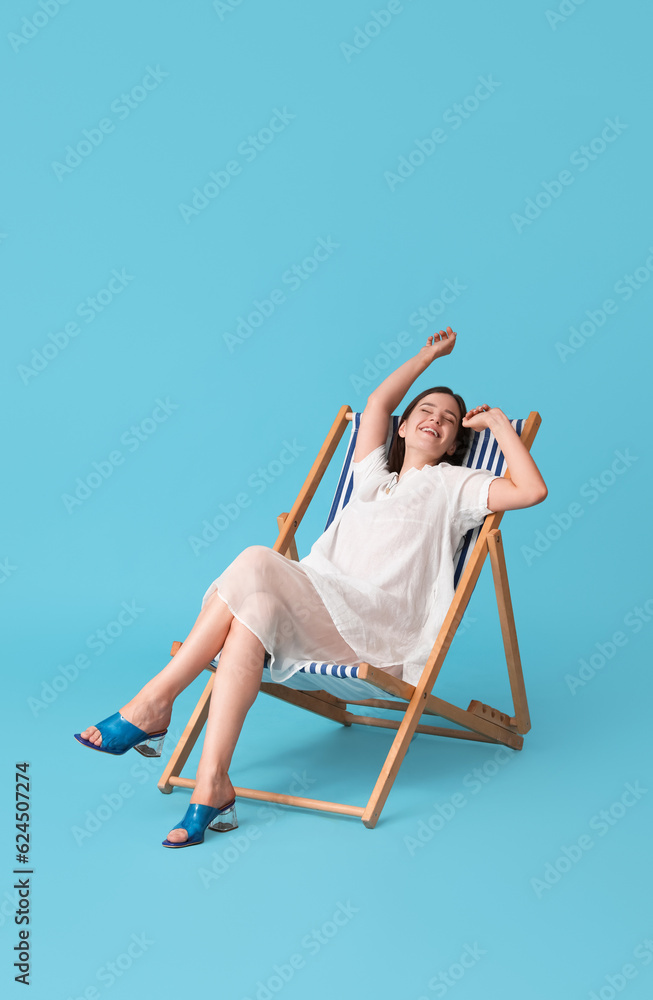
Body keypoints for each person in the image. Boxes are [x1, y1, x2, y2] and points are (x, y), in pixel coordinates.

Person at [74, 327, 548, 848]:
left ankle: (153, 703)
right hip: (322, 603)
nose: (434, 419)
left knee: (258, 558)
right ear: (405, 426)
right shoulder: (371, 474)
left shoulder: (457, 486)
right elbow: (377, 402)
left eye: (449, 419)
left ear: (456, 442)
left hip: (377, 628)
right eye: (425, 412)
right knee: (249, 616)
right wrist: (426, 356)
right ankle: (212, 787)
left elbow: (531, 489)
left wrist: (500, 424)